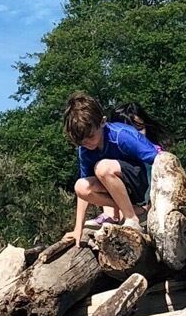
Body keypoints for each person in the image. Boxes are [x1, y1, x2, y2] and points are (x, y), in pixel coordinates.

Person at [63, 92, 161, 242]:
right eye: (81, 142)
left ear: (102, 122)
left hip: (141, 183)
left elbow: (159, 160)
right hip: (123, 191)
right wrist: (78, 228)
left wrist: (154, 200)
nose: (87, 144)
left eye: (90, 137)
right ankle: (132, 209)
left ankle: (131, 218)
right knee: (81, 186)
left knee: (102, 167)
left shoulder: (120, 135)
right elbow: (84, 190)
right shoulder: (85, 150)